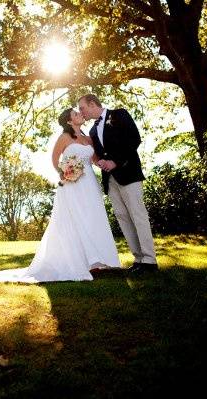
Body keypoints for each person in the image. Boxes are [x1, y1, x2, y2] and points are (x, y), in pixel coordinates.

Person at [0, 108, 121, 283]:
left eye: (79, 112)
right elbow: (55, 159)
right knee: (75, 220)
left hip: (90, 184)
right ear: (70, 121)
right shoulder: (64, 137)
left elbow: (93, 160)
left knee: (93, 219)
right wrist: (64, 173)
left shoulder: (88, 138)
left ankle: (96, 262)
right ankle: (79, 263)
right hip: (72, 185)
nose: (80, 114)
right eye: (76, 114)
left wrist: (105, 162)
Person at [78, 94, 158, 273]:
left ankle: (150, 261)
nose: (81, 112)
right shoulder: (91, 131)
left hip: (128, 173)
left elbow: (134, 139)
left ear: (92, 104)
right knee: (123, 218)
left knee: (138, 215)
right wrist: (100, 162)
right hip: (110, 179)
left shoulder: (119, 115)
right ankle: (138, 259)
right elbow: (100, 154)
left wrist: (116, 161)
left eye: (82, 108)